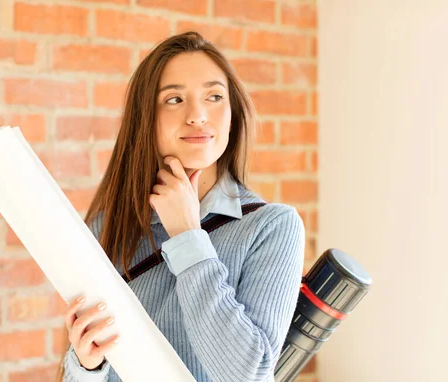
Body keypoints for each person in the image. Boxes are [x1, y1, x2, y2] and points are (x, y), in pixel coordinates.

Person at [56, 31, 305, 382]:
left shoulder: (271, 227)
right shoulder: (107, 227)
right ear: (147, 118)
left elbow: (247, 376)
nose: (198, 115)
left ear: (233, 116)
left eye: (214, 96)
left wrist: (188, 235)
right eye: (174, 99)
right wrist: (85, 366)